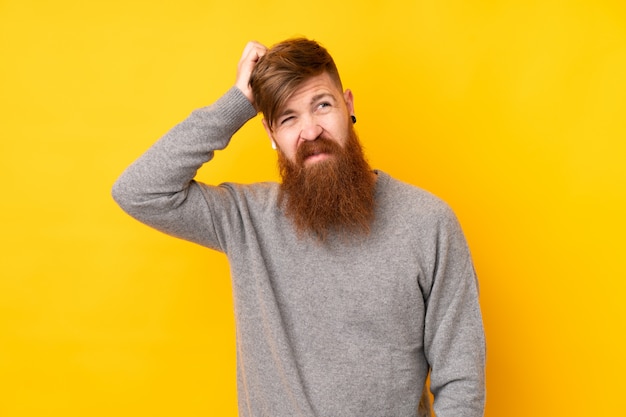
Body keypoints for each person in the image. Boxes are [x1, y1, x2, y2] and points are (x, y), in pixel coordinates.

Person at [112, 38, 486, 417]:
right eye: (288, 118)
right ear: (271, 135)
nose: (310, 131)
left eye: (322, 105)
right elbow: (139, 191)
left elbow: (461, 381)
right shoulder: (248, 220)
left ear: (349, 106)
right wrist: (237, 102)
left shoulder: (428, 223)